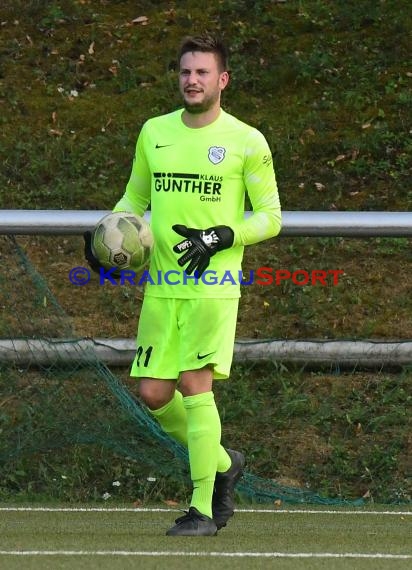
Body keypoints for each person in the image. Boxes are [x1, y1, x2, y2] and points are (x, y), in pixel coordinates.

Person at [85, 33, 282, 536]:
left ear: (223, 80)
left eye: (202, 73)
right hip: (163, 284)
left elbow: (271, 218)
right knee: (153, 392)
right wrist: (111, 237)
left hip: (212, 285)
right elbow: (132, 199)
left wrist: (223, 234)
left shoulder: (246, 140)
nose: (192, 80)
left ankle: (203, 509)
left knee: (196, 387)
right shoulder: (154, 132)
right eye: (185, 72)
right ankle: (221, 463)